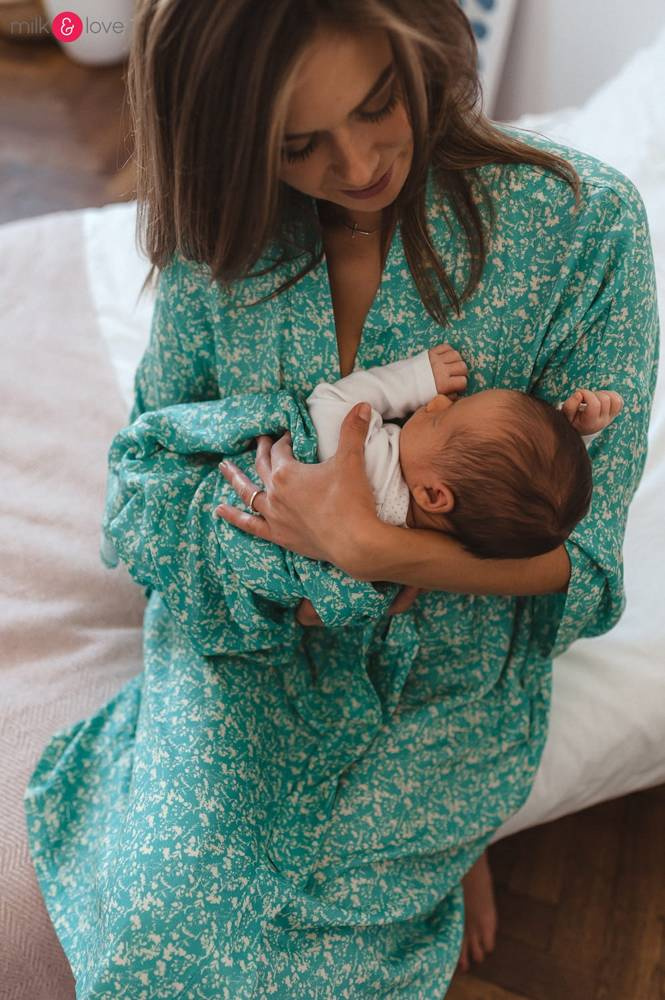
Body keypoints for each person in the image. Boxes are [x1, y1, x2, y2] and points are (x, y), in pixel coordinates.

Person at [23, 1, 658, 996]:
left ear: (422, 55)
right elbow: (147, 486)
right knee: (155, 940)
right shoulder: (221, 241)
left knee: (335, 958)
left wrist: (374, 551)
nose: (358, 164)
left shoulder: (581, 229)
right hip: (248, 643)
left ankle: (448, 846)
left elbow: (582, 575)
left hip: (444, 677)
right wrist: (279, 564)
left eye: (377, 105)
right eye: (297, 144)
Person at [303, 341, 624, 555]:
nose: (439, 401)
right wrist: (573, 438)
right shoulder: (454, 531)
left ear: (433, 495)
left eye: (440, 419)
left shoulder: (375, 476)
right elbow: (527, 487)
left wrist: (415, 380)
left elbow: (327, 404)